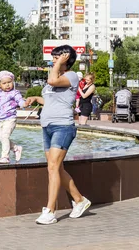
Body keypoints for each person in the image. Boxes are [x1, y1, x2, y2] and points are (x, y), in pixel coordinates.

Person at [24, 45, 91, 225]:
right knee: (57, 169)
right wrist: (36, 99)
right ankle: (79, 200)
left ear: (65, 59)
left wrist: (60, 63)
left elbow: (53, 81)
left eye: (56, 57)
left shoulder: (71, 76)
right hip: (48, 126)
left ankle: (50, 211)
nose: (53, 60)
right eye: (53, 58)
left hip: (62, 126)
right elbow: (52, 98)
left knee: (53, 167)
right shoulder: (56, 77)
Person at [0, 71, 24, 164]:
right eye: (4, 83)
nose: (7, 85)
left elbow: (20, 102)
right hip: (1, 120)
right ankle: (16, 148)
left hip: (10, 118)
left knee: (5, 136)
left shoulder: (15, 93)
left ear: (13, 82)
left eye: (9, 82)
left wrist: (25, 104)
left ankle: (5, 157)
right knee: (0, 138)